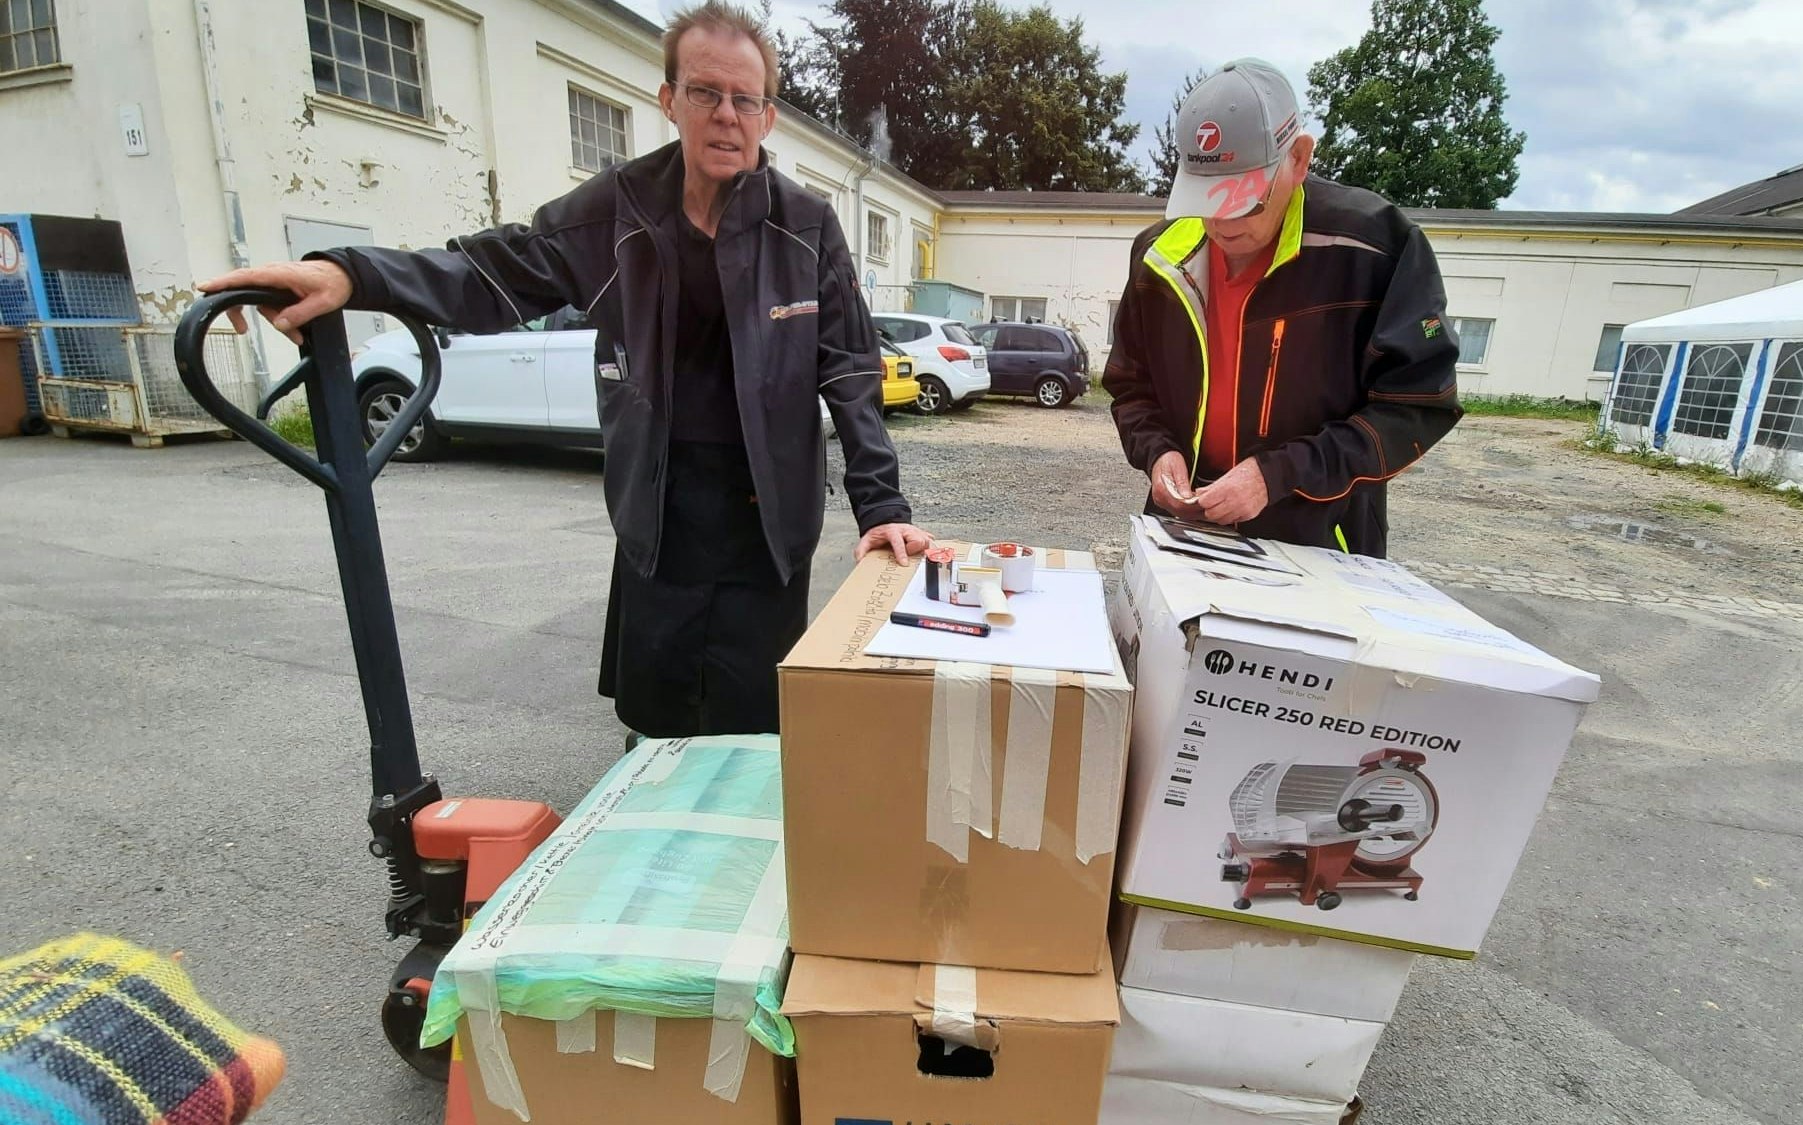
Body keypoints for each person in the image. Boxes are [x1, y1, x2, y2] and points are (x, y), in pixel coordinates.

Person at [199, 1, 932, 738]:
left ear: (768, 117)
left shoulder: (804, 224)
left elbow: (847, 369)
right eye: (706, 93)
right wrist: (351, 274)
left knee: (754, 723)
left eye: (746, 99)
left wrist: (882, 508)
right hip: (661, 506)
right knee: (657, 720)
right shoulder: (620, 209)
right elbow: (491, 270)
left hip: (767, 515)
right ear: (669, 98)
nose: (726, 116)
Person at [1101, 59, 1463, 556]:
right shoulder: (1158, 257)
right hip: (1185, 531)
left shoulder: (1375, 249)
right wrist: (1158, 452)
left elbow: (1416, 407)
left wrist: (1275, 476)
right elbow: (1131, 386)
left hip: (1321, 539)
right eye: (1206, 200)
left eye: (1245, 200)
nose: (1223, 224)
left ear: (1298, 159)